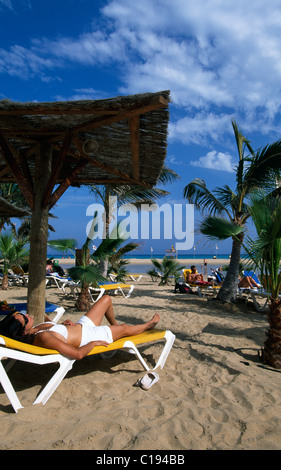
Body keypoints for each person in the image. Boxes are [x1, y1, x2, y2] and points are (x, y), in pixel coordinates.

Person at [0, 295, 160, 360]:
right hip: (88, 337)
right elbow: (77, 354)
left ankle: (115, 328)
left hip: (81, 326)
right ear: (23, 330)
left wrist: (64, 325)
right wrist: (94, 344)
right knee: (125, 328)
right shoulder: (42, 337)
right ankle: (148, 325)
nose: (26, 315)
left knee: (106, 299)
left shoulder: (36, 330)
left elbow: (58, 332)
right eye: (24, 318)